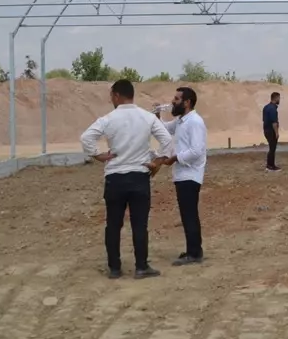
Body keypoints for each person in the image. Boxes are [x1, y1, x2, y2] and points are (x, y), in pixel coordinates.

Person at [80, 79, 173, 280]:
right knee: (140, 224)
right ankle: (141, 266)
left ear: (116, 95)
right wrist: (157, 161)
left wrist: (98, 155)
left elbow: (86, 138)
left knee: (113, 224)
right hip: (139, 176)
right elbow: (166, 140)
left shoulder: (108, 119)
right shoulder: (147, 117)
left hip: (115, 177)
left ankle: (114, 268)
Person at [152, 86, 207, 266]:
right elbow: (165, 129)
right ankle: (193, 250)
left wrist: (175, 158)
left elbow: (197, 151)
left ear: (187, 102)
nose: (173, 102)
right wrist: (157, 116)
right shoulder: (182, 121)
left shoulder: (195, 122)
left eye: (176, 99)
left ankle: (195, 252)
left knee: (189, 214)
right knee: (186, 214)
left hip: (190, 174)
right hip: (182, 174)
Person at [262, 92, 281, 171]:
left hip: (266, 129)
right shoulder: (273, 109)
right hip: (271, 130)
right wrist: (276, 132)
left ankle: (271, 164)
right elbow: (274, 122)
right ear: (275, 98)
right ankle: (270, 166)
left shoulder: (266, 107)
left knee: (272, 148)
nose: (279, 100)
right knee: (272, 148)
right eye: (279, 98)